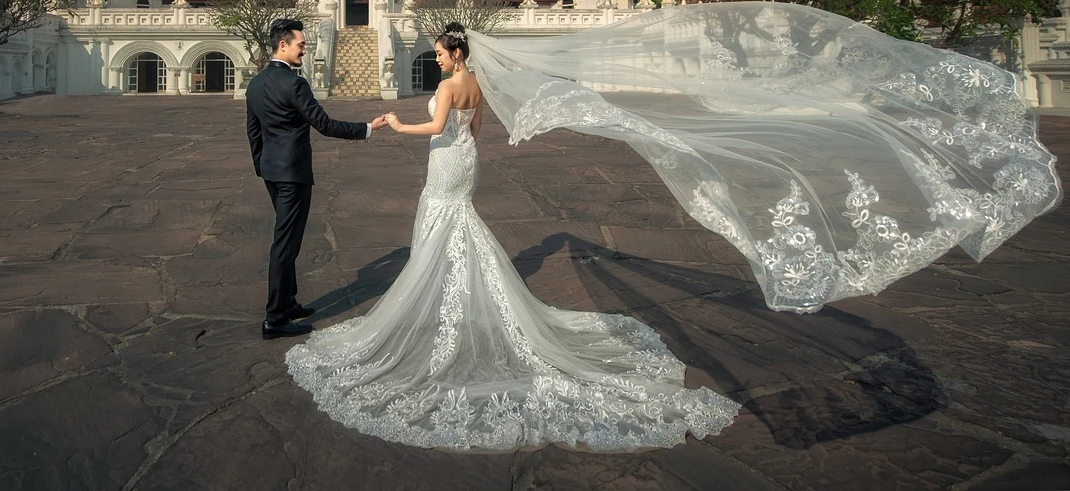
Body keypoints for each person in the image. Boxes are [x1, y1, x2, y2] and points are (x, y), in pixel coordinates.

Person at [285, 22, 741, 451]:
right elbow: (476, 130)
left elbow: (437, 127)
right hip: (467, 161)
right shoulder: (478, 83)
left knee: (440, 222)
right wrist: (458, 141)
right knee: (458, 222)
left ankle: (439, 293)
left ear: (457, 53)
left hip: (445, 159)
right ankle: (449, 291)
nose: (438, 60)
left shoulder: (446, 87)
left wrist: (400, 126)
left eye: (442, 54)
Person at [246, 18, 388, 339]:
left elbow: (253, 133)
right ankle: (275, 318)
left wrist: (263, 166)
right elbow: (324, 124)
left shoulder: (255, 84)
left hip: (272, 171)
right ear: (283, 45)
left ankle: (290, 301)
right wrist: (367, 128)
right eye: (301, 44)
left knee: (288, 237)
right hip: (293, 174)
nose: (305, 49)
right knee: (285, 243)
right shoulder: (294, 84)